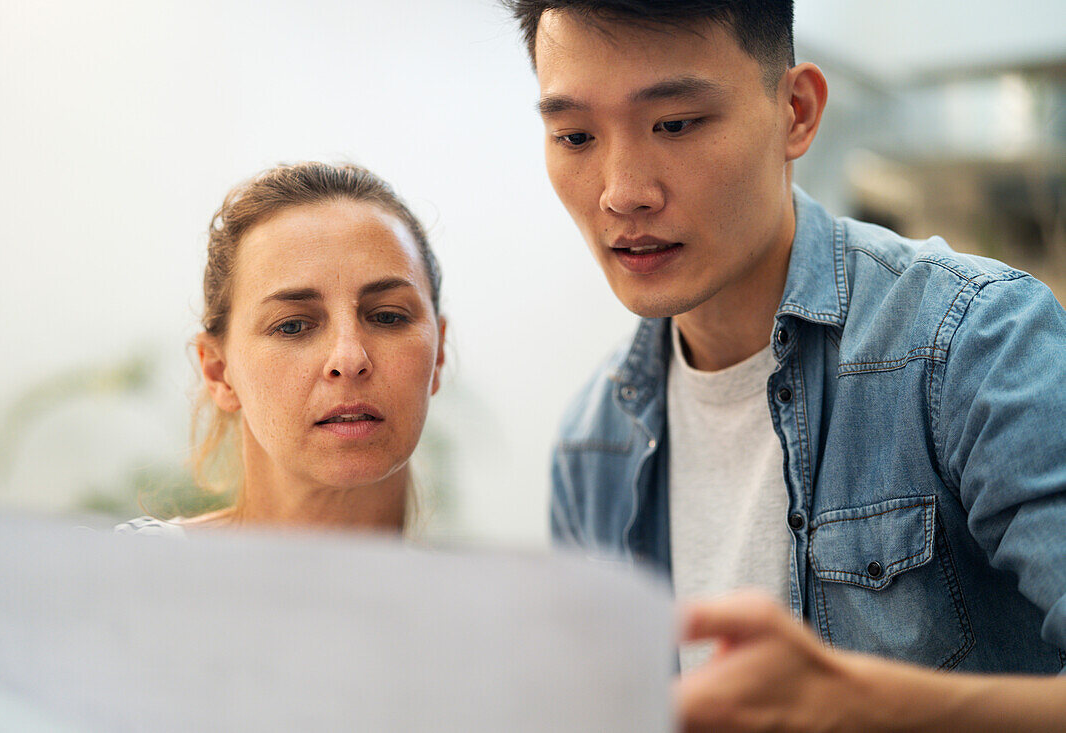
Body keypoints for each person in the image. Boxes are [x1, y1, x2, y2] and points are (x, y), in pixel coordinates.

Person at [501, 0, 1066, 729]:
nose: (622, 191)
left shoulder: (971, 340)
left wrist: (874, 705)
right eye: (574, 135)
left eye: (674, 124)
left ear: (796, 111)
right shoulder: (593, 442)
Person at [117, 162, 445, 536]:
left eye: (388, 317)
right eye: (292, 326)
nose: (350, 359)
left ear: (439, 354)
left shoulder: (489, 594)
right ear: (219, 373)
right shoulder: (114, 575)